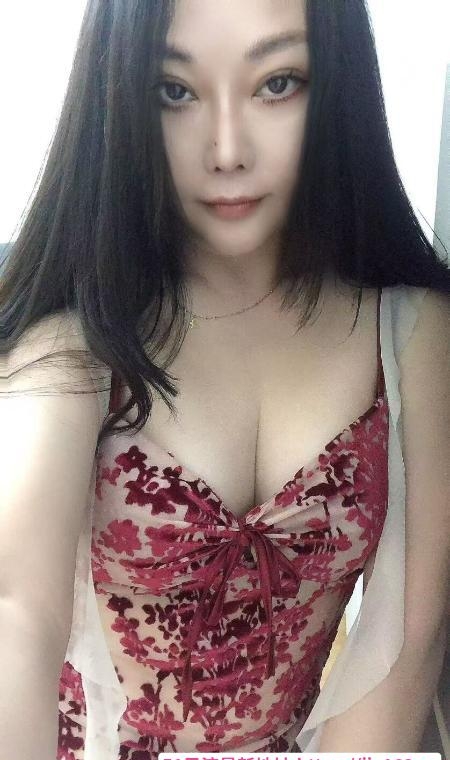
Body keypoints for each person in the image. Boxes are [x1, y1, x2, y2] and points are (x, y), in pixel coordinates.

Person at [1, 1, 449, 758]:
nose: (228, 150)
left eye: (277, 82)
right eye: (175, 91)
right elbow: (16, 612)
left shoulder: (410, 333)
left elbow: (408, 646)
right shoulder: (75, 335)